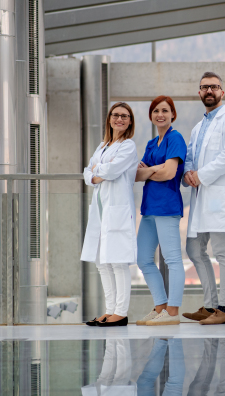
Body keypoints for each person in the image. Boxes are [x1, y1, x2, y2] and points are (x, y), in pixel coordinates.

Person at [182, 72, 225, 325]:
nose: (209, 91)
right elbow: (189, 156)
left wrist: (200, 175)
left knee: (221, 251)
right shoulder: (199, 127)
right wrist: (188, 173)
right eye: (205, 87)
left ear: (222, 92)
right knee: (194, 248)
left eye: (214, 87)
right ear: (199, 92)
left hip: (219, 195)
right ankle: (209, 306)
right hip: (201, 193)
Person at [81, 102, 138, 327]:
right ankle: (109, 310)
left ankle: (121, 312)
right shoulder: (102, 146)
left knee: (118, 261)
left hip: (118, 210)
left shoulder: (128, 146)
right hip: (101, 211)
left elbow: (112, 171)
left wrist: (97, 171)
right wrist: (95, 174)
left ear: (130, 121)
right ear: (109, 119)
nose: (119, 119)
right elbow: (87, 173)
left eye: (125, 116)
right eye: (116, 115)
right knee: (102, 262)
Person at [135, 96, 187, 326]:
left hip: (167, 206)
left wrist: (152, 170)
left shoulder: (176, 139)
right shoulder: (151, 143)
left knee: (173, 259)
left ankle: (172, 312)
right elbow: (136, 175)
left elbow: (169, 174)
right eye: (156, 110)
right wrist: (159, 168)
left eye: (165, 110)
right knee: (143, 259)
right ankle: (160, 307)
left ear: (173, 114)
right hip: (149, 208)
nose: (160, 114)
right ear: (151, 116)